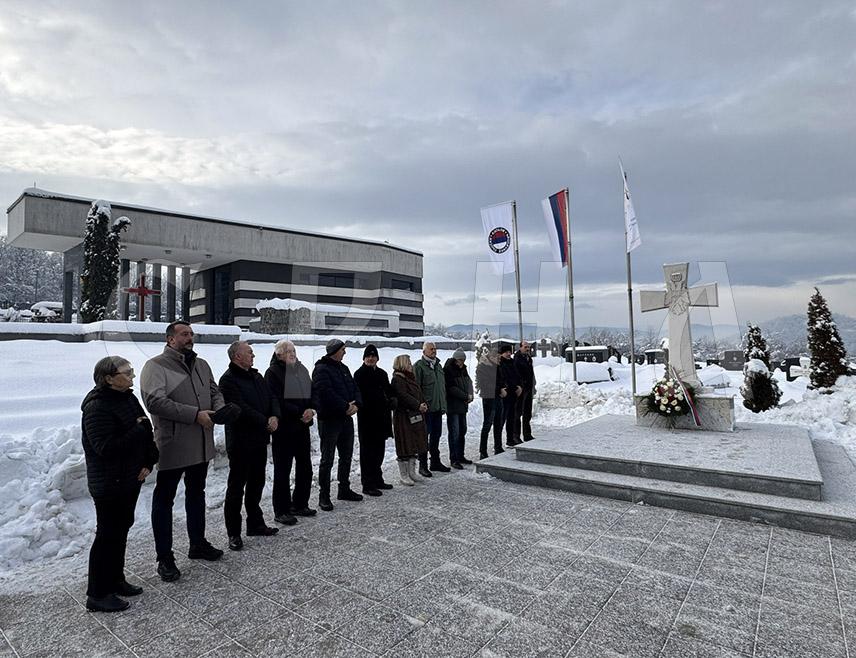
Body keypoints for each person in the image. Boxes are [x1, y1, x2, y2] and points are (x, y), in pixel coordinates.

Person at [140, 321, 225, 582]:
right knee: (164, 500)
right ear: (170, 339)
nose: (190, 338)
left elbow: (214, 390)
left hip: (200, 442)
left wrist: (219, 410)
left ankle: (197, 543)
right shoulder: (156, 366)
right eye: (184, 334)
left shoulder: (201, 364)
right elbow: (154, 401)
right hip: (174, 443)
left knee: (196, 494)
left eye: (191, 334)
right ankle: (164, 558)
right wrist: (194, 415)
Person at [81, 356, 158, 612]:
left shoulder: (127, 398)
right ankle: (98, 593)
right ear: (109, 378)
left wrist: (149, 459)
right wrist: (137, 431)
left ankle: (116, 579)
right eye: (126, 373)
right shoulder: (97, 407)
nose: (132, 376)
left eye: (131, 371)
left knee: (121, 531)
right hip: (109, 483)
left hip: (130, 477)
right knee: (106, 535)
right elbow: (105, 448)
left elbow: (146, 430)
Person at [219, 341, 281, 551]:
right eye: (249, 352)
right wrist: (265, 420)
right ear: (237, 356)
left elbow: (271, 396)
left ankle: (255, 523)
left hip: (259, 439)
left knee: (257, 483)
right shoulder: (228, 380)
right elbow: (240, 408)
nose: (253, 355)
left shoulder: (256, 375)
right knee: (236, 488)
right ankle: (233, 533)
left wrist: (274, 415)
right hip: (241, 442)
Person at [264, 339, 316, 522]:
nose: (292, 353)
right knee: (283, 471)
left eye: (293, 350)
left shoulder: (301, 369)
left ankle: (300, 503)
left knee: (305, 467)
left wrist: (311, 409)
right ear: (279, 355)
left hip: (302, 426)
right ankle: (281, 510)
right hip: (284, 428)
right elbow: (275, 400)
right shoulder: (272, 373)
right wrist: (299, 412)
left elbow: (312, 392)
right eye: (287, 351)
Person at [311, 338, 363, 511]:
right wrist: (345, 406)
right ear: (334, 351)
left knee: (346, 456)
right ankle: (324, 495)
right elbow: (325, 393)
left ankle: (344, 488)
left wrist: (357, 405)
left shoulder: (344, 368)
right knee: (327, 459)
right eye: (342, 349)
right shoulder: (321, 369)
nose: (345, 352)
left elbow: (355, 388)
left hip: (346, 419)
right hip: (329, 420)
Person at [353, 344, 395, 496]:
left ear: (377, 358)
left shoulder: (382, 374)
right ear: (364, 358)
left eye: (373, 356)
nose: (371, 359)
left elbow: (389, 391)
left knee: (379, 451)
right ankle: (367, 484)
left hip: (382, 419)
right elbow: (358, 396)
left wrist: (392, 399)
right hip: (367, 420)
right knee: (367, 453)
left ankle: (378, 479)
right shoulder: (359, 374)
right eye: (368, 356)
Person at [389, 354, 429, 486]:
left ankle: (412, 472)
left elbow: (418, 392)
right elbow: (403, 396)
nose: (411, 365)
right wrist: (417, 404)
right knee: (404, 444)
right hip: (403, 417)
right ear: (402, 364)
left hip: (414, 415)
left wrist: (423, 403)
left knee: (413, 443)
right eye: (409, 363)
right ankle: (404, 474)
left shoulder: (410, 378)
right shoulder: (398, 379)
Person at [413, 341, 448, 474]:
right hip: (426, 409)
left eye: (435, 349)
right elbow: (417, 388)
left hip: (437, 408)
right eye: (431, 349)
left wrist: (443, 404)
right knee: (424, 437)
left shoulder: (438, 366)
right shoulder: (419, 366)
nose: (434, 351)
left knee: (436, 436)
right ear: (424, 352)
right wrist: (421, 404)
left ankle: (435, 462)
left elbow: (441, 387)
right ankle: (423, 465)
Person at [443, 349, 474, 469]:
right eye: (460, 360)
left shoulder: (463, 369)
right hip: (453, 406)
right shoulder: (448, 370)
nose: (462, 362)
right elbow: (451, 388)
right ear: (455, 359)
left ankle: (461, 455)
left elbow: (469, 382)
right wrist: (465, 396)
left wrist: (470, 394)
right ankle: (454, 458)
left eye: (463, 360)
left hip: (463, 406)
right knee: (454, 433)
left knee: (462, 431)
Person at [475, 346, 507, 459]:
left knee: (499, 423)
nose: (499, 360)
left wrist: (503, 387)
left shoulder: (497, 366)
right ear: (492, 357)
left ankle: (498, 446)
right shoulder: (482, 367)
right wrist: (500, 389)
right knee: (487, 424)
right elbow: (485, 384)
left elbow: (502, 379)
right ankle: (482, 451)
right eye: (498, 358)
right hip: (488, 398)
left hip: (498, 398)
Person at [497, 342, 522, 449]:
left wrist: (519, 386)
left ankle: (510, 439)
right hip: (505, 394)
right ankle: (498, 443)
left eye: (509, 352)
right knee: (502, 419)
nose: (508, 354)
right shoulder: (500, 364)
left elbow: (517, 376)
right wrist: (512, 387)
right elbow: (504, 379)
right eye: (506, 352)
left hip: (513, 394)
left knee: (511, 418)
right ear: (501, 353)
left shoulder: (512, 362)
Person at [513, 340, 537, 442]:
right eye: (525, 347)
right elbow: (516, 374)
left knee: (527, 413)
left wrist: (533, 385)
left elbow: (531, 373)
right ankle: (516, 436)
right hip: (521, 389)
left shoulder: (528, 358)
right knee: (518, 413)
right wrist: (519, 385)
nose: (527, 349)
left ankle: (527, 434)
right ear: (520, 347)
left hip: (528, 388)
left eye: (528, 347)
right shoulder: (517, 359)